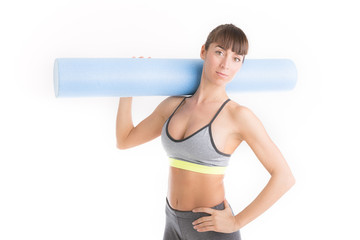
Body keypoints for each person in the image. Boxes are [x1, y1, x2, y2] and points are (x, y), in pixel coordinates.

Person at [116, 23, 295, 240]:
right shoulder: (173, 106)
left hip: (212, 229)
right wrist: (127, 89)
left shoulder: (238, 116)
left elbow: (284, 177)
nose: (226, 64)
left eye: (236, 58)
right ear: (204, 51)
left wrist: (236, 221)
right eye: (219, 52)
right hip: (172, 222)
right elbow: (125, 140)